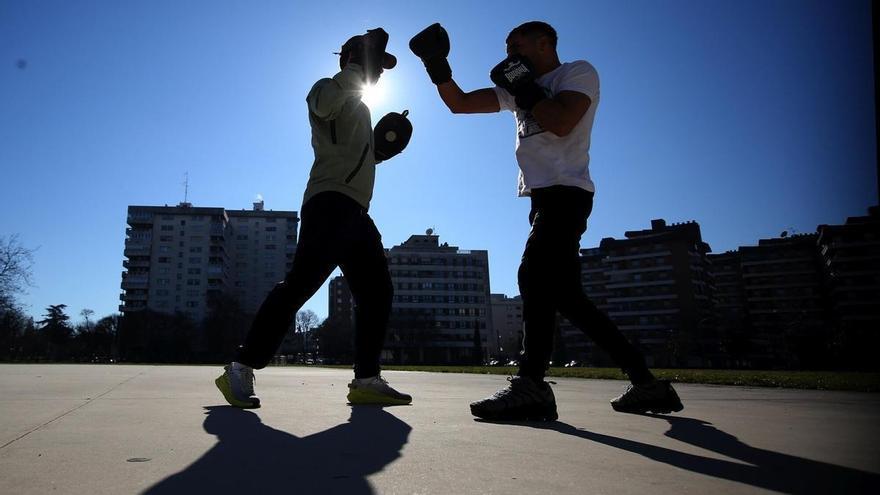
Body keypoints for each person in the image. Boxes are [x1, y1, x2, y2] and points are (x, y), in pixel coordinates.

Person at [409, 21, 682, 420]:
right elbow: (461, 103)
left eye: (516, 46)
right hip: (541, 199)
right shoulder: (517, 85)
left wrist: (522, 85)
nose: (509, 55)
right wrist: (437, 66)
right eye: (506, 49)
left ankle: (531, 385)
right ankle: (648, 384)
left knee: (532, 275)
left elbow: (561, 121)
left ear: (544, 43)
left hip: (567, 192)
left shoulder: (576, 72)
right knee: (569, 299)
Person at [215, 28, 413, 409]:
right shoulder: (328, 88)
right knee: (299, 285)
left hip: (356, 210)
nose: (381, 74)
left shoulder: (359, 106)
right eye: (378, 65)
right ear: (354, 59)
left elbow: (354, 157)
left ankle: (367, 380)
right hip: (329, 203)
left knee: (377, 293)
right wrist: (355, 66)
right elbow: (322, 108)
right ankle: (239, 368)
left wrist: (381, 150)